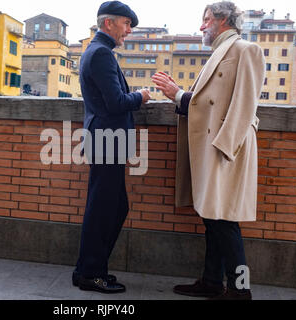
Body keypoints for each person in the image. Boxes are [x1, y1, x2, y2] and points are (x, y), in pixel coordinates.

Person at [152, 1, 265, 300]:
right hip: (212, 150)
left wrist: (225, 149)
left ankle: (241, 290)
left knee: (225, 221)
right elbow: (206, 104)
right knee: (213, 218)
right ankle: (212, 282)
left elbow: (244, 105)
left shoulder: (245, 50)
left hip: (225, 151)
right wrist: (179, 95)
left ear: (223, 19)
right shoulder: (219, 54)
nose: (201, 26)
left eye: (205, 19)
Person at [73, 1, 151, 294]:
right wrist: (141, 96)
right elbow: (116, 102)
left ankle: (88, 270)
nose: (128, 31)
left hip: (105, 140)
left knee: (112, 207)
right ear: (109, 24)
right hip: (107, 141)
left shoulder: (96, 51)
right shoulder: (102, 54)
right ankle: (91, 273)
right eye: (126, 24)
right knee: (104, 209)